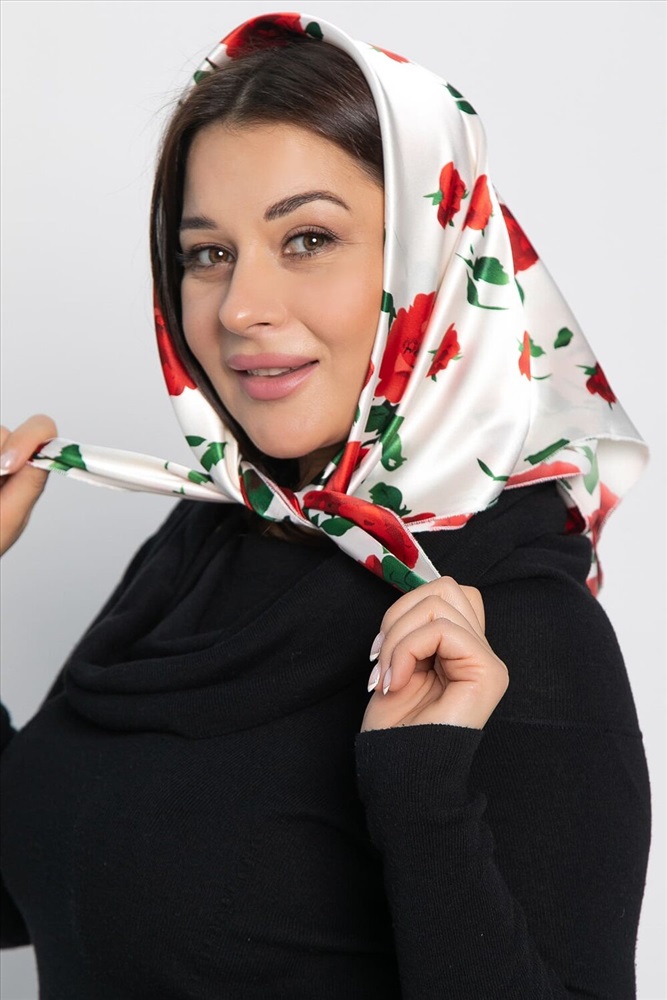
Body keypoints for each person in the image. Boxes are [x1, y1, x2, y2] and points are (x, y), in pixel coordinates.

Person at [0, 12, 651, 999]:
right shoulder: (206, 541)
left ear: (430, 260)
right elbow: (32, 890)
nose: (238, 308)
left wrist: (419, 781)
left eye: (307, 239)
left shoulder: (515, 621)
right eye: (206, 253)